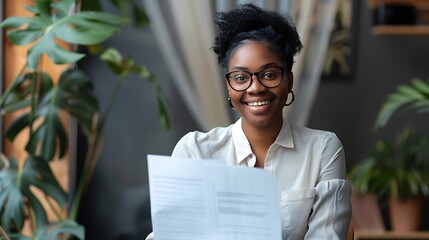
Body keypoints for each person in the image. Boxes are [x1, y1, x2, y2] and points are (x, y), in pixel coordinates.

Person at [146, 3, 352, 240]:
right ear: (229, 86)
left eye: (269, 74)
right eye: (241, 77)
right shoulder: (195, 151)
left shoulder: (323, 150)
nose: (255, 88)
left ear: (289, 80)